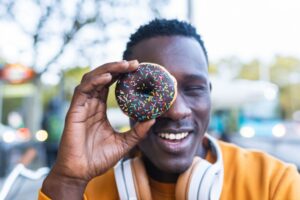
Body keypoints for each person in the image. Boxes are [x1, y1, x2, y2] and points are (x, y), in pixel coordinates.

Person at [39, 19, 300, 200]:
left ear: (210, 94)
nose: (176, 111)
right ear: (125, 101)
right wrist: (69, 181)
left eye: (194, 88)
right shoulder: (84, 188)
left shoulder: (273, 182)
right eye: (151, 92)